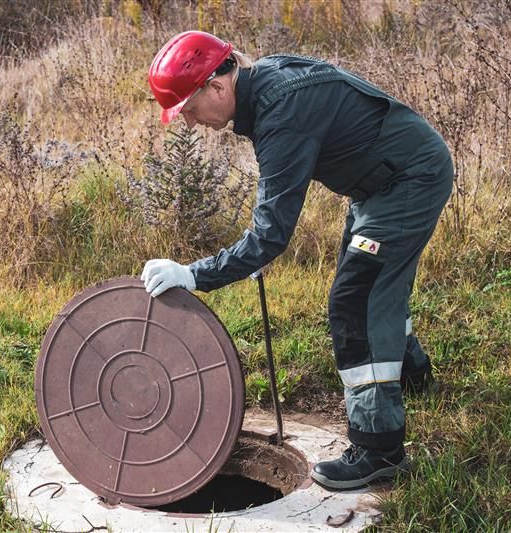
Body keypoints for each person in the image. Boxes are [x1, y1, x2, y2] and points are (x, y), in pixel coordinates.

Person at [140, 30, 452, 490]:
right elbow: (276, 200)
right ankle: (412, 374)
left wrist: (193, 275)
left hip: (407, 183)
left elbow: (270, 233)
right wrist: (252, 250)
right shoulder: (267, 85)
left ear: (217, 87)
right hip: (381, 184)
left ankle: (378, 449)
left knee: (355, 300)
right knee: (377, 286)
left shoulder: (280, 110)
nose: (188, 124)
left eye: (186, 110)